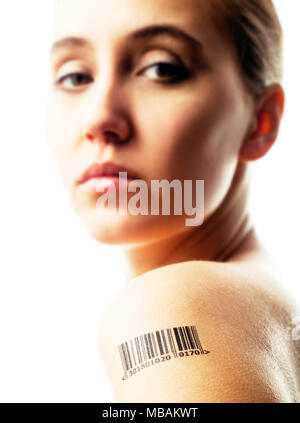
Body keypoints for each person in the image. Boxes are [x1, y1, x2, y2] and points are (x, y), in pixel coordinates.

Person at [46, 0, 300, 402]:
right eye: (75, 76)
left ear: (261, 121)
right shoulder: (266, 309)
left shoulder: (172, 306)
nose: (98, 118)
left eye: (161, 69)